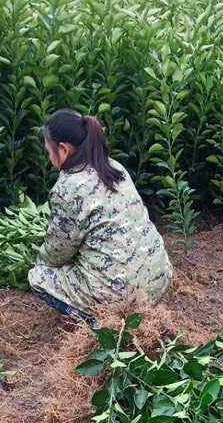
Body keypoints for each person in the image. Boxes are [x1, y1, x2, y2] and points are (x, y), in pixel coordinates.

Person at [29, 110, 172, 324]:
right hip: (158, 280)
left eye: (49, 151)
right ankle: (137, 310)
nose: (50, 158)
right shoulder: (114, 167)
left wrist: (40, 262)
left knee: (38, 277)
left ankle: (104, 325)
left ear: (63, 149)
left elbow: (58, 252)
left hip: (120, 295)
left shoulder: (68, 188)